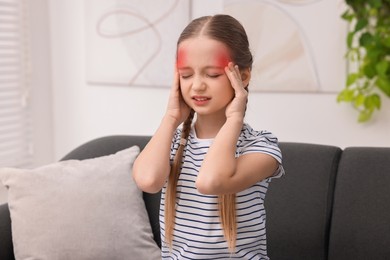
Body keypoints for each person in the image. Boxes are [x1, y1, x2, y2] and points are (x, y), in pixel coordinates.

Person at [133, 14, 284, 259]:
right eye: (186, 75)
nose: (197, 86)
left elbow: (211, 182)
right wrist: (171, 116)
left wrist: (235, 118)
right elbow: (148, 180)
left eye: (212, 74)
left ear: (243, 76)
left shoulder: (261, 147)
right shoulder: (173, 144)